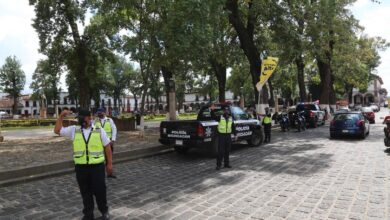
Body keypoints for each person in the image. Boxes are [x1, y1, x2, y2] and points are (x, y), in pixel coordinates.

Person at [54, 109, 112, 220]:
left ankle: (104, 211)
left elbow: (107, 146)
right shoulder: (74, 130)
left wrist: (109, 164)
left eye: (87, 117)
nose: (88, 119)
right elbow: (57, 130)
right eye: (83, 118)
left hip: (97, 166)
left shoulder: (99, 130)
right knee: (85, 192)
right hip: (81, 167)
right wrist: (61, 116)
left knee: (100, 190)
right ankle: (88, 214)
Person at [95, 108, 118, 178]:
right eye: (98, 113)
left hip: (108, 142)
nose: (99, 114)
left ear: (104, 113)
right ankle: (100, 174)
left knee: (108, 159)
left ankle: (109, 173)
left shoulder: (109, 120)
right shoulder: (95, 121)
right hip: (98, 142)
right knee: (99, 159)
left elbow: (114, 129)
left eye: (100, 113)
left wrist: (113, 139)